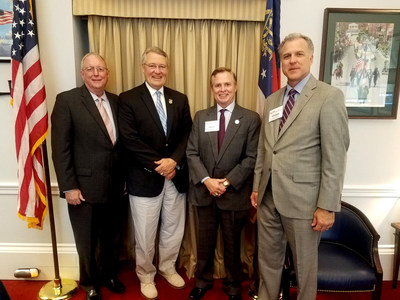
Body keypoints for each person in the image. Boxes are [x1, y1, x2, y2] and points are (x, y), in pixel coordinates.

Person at [251, 33, 350, 300]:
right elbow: (265, 148)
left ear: (310, 58)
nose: (292, 60)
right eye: (286, 56)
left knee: (305, 269)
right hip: (269, 196)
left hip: (305, 203)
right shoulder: (272, 100)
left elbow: (335, 157)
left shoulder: (329, 97)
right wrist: (257, 187)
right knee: (268, 263)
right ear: (281, 61)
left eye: (298, 54)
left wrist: (327, 205)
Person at [118, 47, 192, 300]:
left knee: (173, 228)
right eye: (152, 66)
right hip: (144, 178)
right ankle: (146, 275)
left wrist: (174, 161)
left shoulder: (179, 98)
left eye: (162, 66)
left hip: (176, 177)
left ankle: (167, 267)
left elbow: (186, 135)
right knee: (145, 233)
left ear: (167, 69)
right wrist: (160, 164)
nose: (157, 71)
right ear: (143, 68)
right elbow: (129, 140)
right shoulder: (128, 99)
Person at [51, 53, 126, 300]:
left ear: (108, 73)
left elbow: (120, 146)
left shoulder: (117, 102)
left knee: (113, 237)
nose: (96, 73)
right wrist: (68, 186)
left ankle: (108, 275)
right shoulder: (67, 101)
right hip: (83, 188)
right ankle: (90, 282)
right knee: (87, 240)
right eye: (90, 69)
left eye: (101, 69)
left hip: (116, 186)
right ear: (82, 73)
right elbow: (60, 149)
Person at [186, 67, 261, 300]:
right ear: (212, 89)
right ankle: (202, 281)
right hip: (205, 192)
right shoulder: (201, 116)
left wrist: (226, 182)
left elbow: (252, 158)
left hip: (234, 194)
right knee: (205, 244)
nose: (222, 89)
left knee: (232, 245)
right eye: (217, 85)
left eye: (227, 84)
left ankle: (233, 286)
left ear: (235, 86)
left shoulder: (250, 118)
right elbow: (191, 153)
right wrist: (208, 181)